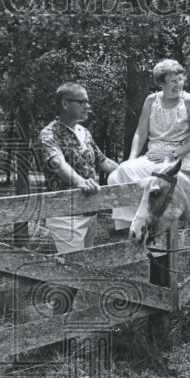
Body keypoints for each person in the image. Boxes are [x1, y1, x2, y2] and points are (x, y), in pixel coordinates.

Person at [108, 59, 190, 230]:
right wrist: (130, 160)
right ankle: (134, 225)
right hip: (152, 158)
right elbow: (140, 133)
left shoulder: (189, 102)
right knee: (116, 176)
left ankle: (142, 223)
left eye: (181, 80)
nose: (179, 85)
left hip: (177, 160)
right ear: (161, 83)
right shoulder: (151, 101)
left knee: (122, 176)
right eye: (173, 81)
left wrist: (173, 154)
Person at [38, 82, 119, 253]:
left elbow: (103, 162)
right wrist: (80, 182)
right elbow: (58, 164)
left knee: (87, 267)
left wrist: (131, 172)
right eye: (82, 102)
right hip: (65, 214)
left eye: (88, 102)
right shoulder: (49, 134)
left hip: (89, 211)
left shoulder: (84, 132)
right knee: (73, 272)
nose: (88, 107)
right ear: (65, 104)